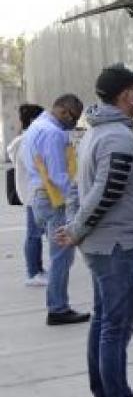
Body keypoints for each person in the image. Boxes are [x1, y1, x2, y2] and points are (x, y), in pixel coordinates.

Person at [55, 63, 133, 397]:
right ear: (127, 95)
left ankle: (105, 396)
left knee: (104, 322)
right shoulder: (118, 138)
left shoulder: (95, 131)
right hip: (118, 246)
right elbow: (105, 193)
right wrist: (75, 229)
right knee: (116, 329)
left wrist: (76, 227)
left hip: (101, 245)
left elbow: (77, 189)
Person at [23, 94, 89, 325]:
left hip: (40, 196)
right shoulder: (54, 133)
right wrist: (77, 202)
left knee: (58, 254)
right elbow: (58, 175)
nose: (74, 124)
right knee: (62, 256)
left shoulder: (36, 126)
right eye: (74, 118)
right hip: (53, 199)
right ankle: (58, 309)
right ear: (64, 111)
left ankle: (57, 306)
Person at [7, 103, 47, 286]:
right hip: (34, 193)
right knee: (34, 234)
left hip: (32, 193)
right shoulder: (28, 142)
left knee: (35, 233)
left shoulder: (23, 140)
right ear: (34, 120)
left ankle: (36, 269)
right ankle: (33, 273)